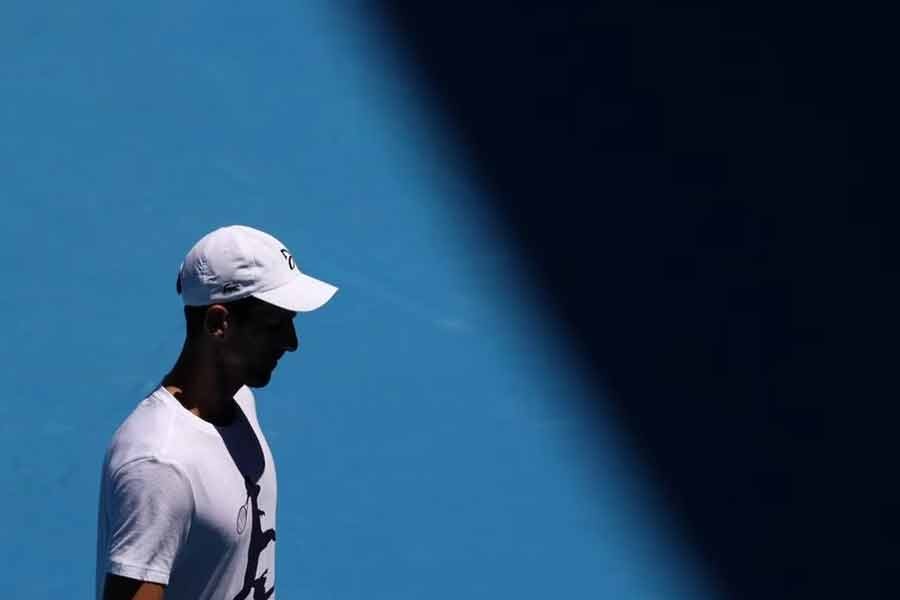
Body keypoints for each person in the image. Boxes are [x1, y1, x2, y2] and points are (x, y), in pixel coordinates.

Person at [95, 225, 338, 600]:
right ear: (218, 323)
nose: (291, 342)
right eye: (275, 325)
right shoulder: (160, 465)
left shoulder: (239, 401)